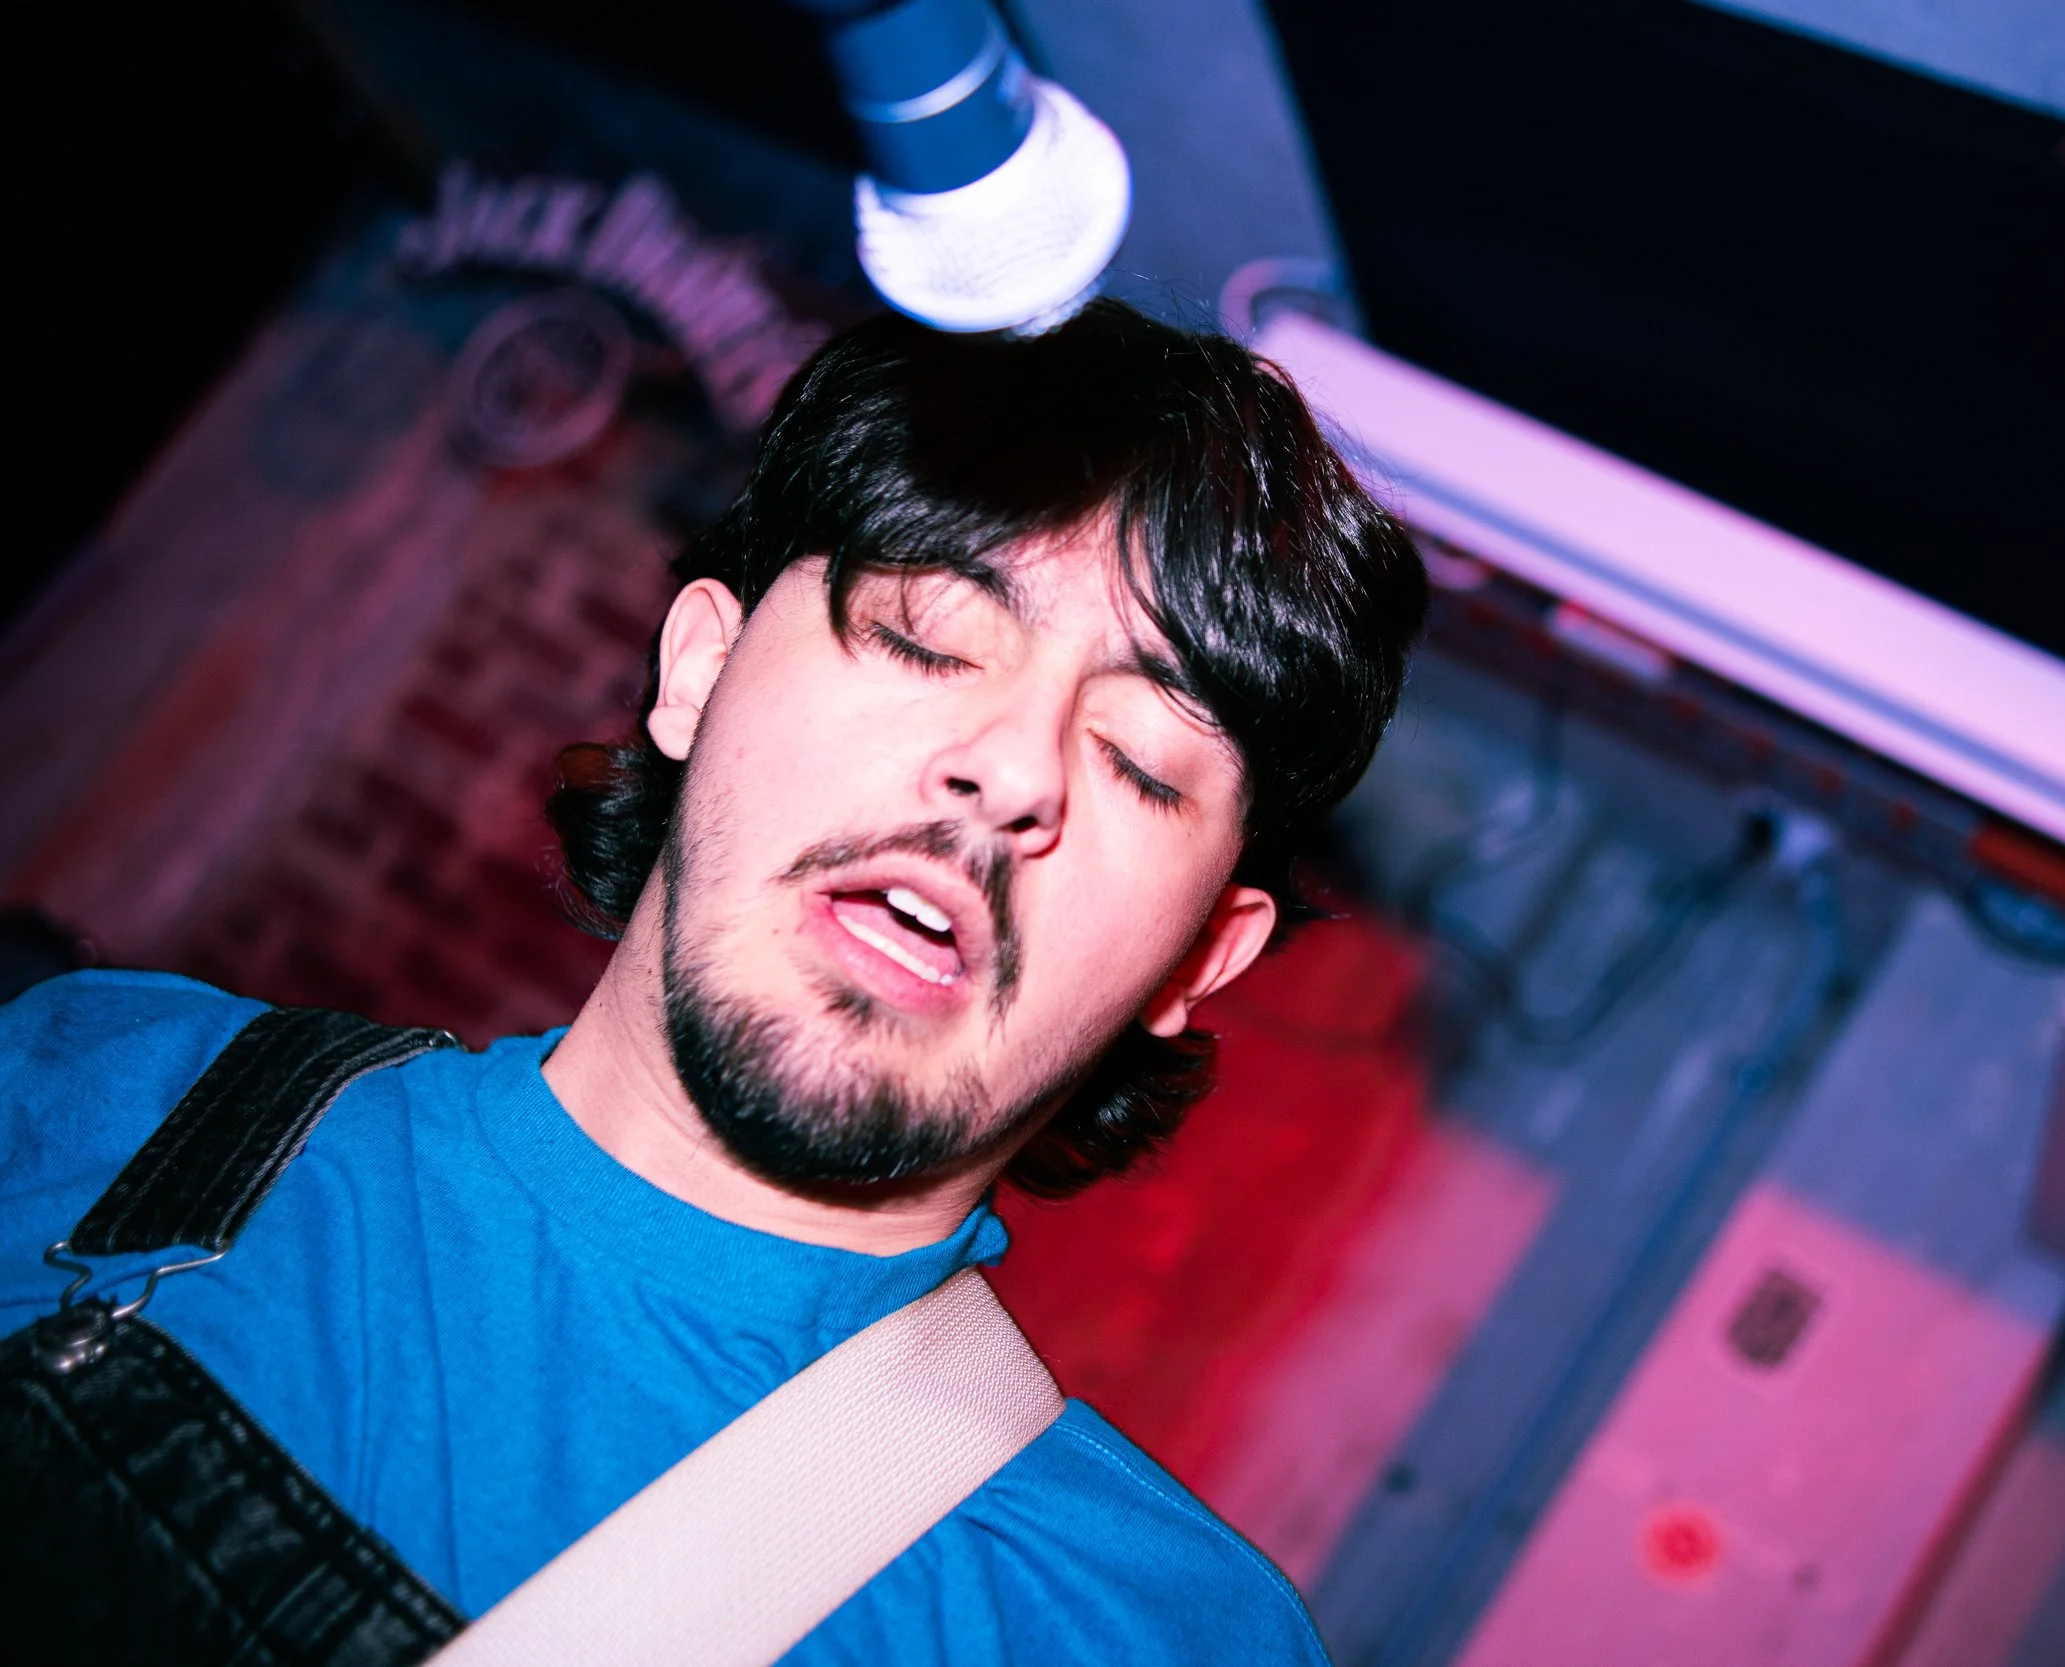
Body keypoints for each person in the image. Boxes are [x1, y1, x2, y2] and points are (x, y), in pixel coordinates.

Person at [0, 299, 1427, 1662]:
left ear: (1200, 957)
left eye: (1139, 761)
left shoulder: (1140, 1637)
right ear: (699, 669)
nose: (1013, 768)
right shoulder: (95, 1088)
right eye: (928, 632)